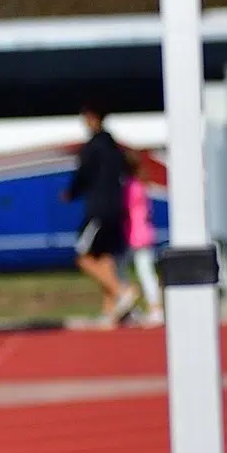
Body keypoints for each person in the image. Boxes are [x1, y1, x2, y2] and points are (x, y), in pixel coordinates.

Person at [66, 103, 135, 323]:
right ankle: (110, 310)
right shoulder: (115, 146)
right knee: (104, 257)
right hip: (116, 207)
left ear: (93, 117)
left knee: (83, 257)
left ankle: (122, 290)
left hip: (99, 209)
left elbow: (83, 174)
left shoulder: (93, 147)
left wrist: (71, 192)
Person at [121, 161, 161, 325]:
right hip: (145, 232)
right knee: (145, 271)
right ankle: (151, 307)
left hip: (135, 234)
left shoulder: (130, 188)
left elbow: (124, 209)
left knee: (141, 271)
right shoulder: (142, 186)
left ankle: (154, 308)